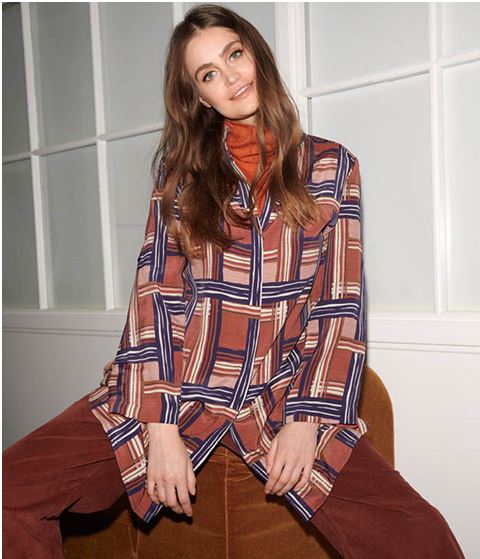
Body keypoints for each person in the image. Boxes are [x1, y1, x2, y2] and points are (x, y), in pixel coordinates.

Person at [3, 4, 465, 558]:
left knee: (422, 536)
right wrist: (160, 427)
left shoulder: (332, 166)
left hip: (278, 394)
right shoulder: (180, 176)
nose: (230, 77)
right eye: (208, 74)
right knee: (10, 490)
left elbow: (339, 303)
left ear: (255, 54)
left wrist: (307, 420)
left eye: (234, 54)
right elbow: (155, 297)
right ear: (200, 97)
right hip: (176, 389)